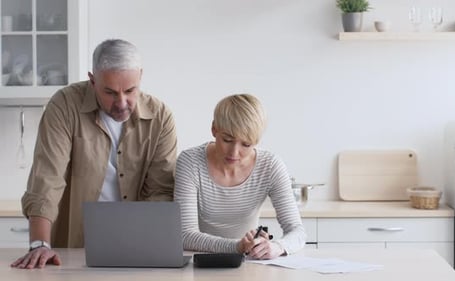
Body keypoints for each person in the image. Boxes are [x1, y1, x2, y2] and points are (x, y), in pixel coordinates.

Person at [11, 39, 177, 269]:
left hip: (135, 245)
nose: (122, 103)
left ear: (140, 76)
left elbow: (160, 191)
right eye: (110, 92)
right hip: (72, 245)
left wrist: (147, 249)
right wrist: (40, 244)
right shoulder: (64, 106)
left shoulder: (160, 118)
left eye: (130, 91)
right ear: (92, 80)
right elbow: (47, 178)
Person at [174, 94, 305, 260]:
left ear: (257, 140)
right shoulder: (190, 162)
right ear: (214, 129)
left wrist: (277, 247)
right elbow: (185, 235)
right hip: (199, 263)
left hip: (248, 264)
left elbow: (297, 231)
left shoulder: (270, 166)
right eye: (227, 140)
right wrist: (237, 246)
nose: (234, 153)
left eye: (246, 144)